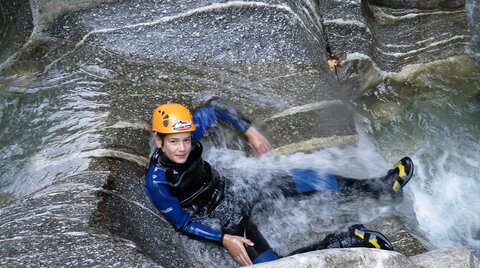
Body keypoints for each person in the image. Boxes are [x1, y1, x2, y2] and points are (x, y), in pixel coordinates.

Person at [144, 98, 414, 266]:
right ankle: (346, 239)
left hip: (234, 187)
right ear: (159, 140)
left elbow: (215, 107)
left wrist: (249, 130)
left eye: (186, 140)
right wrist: (224, 238)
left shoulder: (190, 134)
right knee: (271, 266)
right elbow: (183, 223)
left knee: (304, 178)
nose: (182, 148)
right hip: (222, 218)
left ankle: (380, 188)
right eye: (173, 142)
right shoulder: (156, 181)